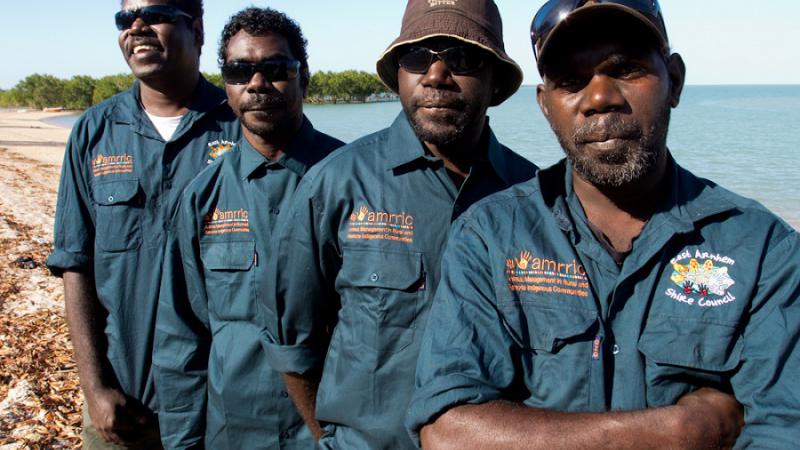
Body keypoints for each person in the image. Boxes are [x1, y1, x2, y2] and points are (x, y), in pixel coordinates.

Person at [407, 0, 800, 448]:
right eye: (572, 81)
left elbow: (785, 429)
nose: (600, 99)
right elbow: (447, 432)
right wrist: (680, 430)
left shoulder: (764, 248)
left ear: (674, 80)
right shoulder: (489, 236)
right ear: (544, 105)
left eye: (626, 69)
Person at [259, 0, 538, 448]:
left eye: (462, 58)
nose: (436, 75)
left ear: (495, 80)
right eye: (417, 57)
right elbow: (291, 343)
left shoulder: (534, 196)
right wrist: (332, 438)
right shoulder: (336, 183)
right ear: (399, 73)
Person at [46, 0, 240, 447]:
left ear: (196, 29)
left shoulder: (241, 127)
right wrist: (95, 390)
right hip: (123, 401)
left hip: (219, 404)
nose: (136, 27)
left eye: (155, 15)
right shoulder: (94, 132)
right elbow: (76, 266)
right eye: (124, 18)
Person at [152, 7, 344, 449]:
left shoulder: (356, 184)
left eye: (276, 69)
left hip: (333, 435)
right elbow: (181, 339)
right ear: (226, 84)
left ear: (304, 77)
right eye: (240, 71)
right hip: (234, 433)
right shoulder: (202, 198)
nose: (257, 84)